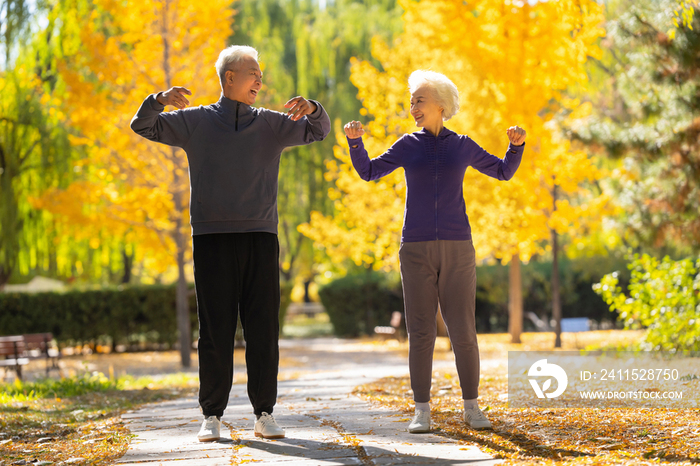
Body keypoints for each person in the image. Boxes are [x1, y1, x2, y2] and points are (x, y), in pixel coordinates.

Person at [131, 45, 331, 442]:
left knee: (263, 330)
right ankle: (212, 416)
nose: (261, 80)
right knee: (216, 330)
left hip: (261, 236)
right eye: (253, 73)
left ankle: (265, 413)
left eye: (260, 73)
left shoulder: (272, 123)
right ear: (229, 78)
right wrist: (157, 100)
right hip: (212, 237)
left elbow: (318, 131)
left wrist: (312, 108)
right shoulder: (195, 121)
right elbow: (144, 125)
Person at [343, 70, 526, 433]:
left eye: (419, 100)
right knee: (421, 332)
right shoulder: (408, 145)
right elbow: (368, 171)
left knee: (463, 331)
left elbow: (504, 172)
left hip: (458, 248)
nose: (412, 107)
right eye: (411, 101)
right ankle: (422, 410)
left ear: (441, 105)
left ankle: (472, 408)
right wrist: (355, 142)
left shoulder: (462, 145)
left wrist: (516, 146)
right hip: (415, 248)